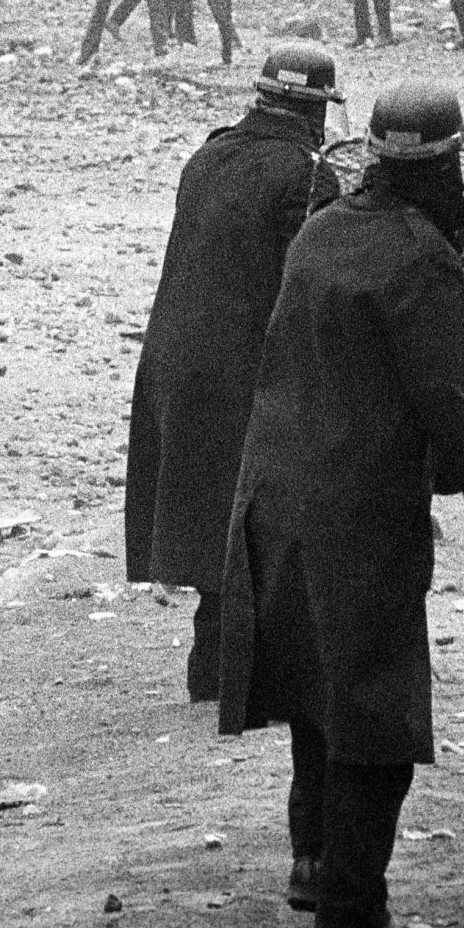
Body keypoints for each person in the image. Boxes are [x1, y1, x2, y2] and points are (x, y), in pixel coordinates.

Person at [219, 82, 464, 928]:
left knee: (314, 694)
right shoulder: (424, 257)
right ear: (447, 163)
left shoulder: (321, 229)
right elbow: (453, 406)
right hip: (358, 511)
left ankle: (315, 865)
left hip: (272, 494)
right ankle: (353, 918)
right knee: (375, 708)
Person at [126, 46, 343, 703]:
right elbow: (308, 287)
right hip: (244, 372)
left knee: (207, 523)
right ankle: (240, 677)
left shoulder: (208, 155)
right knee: (256, 523)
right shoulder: (306, 175)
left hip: (174, 364)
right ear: (313, 111)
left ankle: (214, 670)